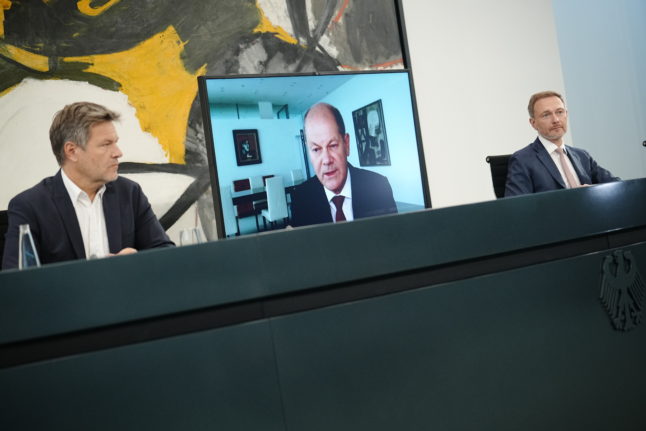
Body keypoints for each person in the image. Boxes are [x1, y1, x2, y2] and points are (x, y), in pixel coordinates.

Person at [2, 102, 174, 269]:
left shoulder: (129, 193)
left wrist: (137, 261)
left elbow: (167, 255)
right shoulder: (30, 206)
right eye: (106, 144)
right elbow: (17, 282)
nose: (118, 153)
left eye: (115, 142)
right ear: (72, 151)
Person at [290, 103, 397, 228]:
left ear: (346, 144)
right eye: (316, 149)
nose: (326, 160)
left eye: (333, 145)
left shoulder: (378, 187)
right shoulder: (301, 199)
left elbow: (394, 241)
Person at [505, 91, 619, 197]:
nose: (556, 120)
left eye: (560, 112)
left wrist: (592, 190)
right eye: (546, 115)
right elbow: (517, 207)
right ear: (533, 123)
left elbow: (617, 185)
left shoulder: (582, 156)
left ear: (566, 114)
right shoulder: (522, 160)